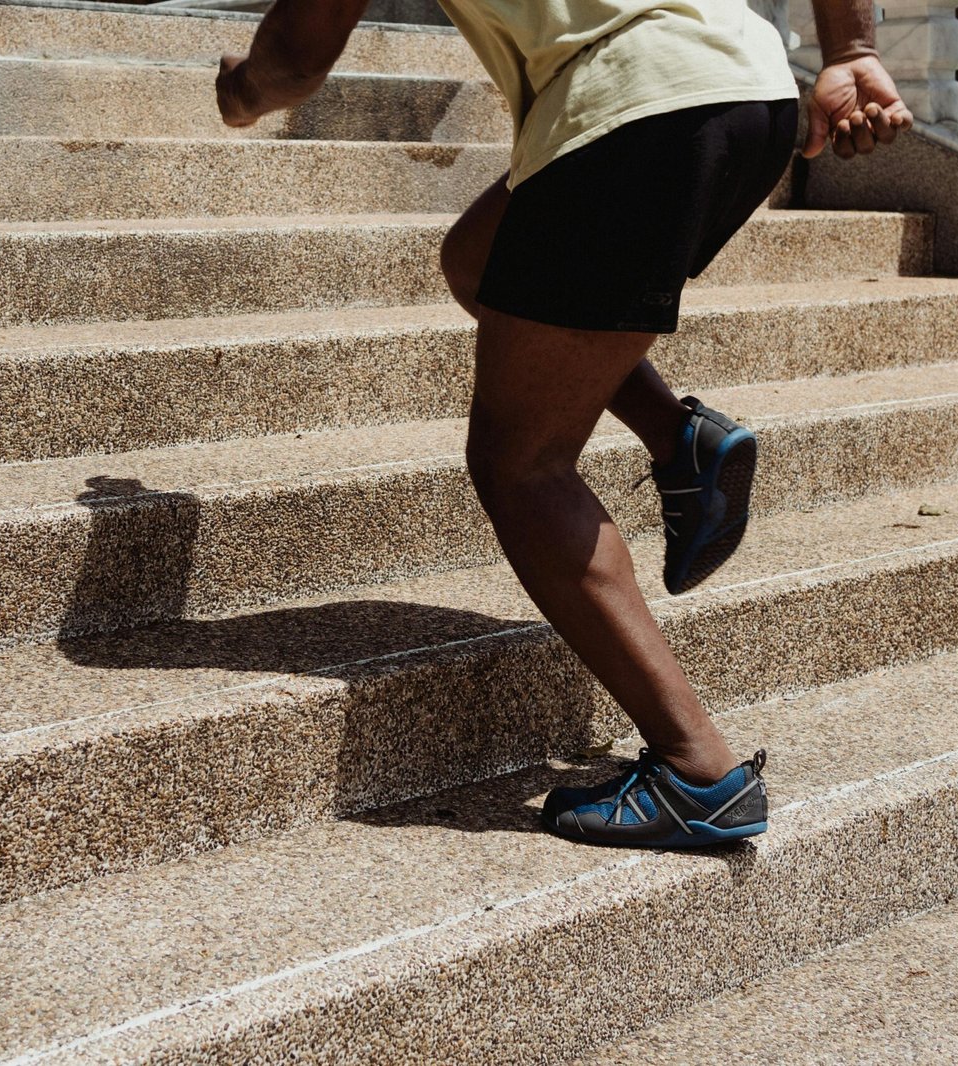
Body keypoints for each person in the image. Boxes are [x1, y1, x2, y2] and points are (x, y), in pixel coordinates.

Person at [216, 0, 911, 846]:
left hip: (632, 112)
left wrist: (245, 93)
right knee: (479, 260)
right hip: (747, 89)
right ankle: (679, 437)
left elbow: (295, 52)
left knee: (522, 465)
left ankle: (699, 772)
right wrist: (851, 48)